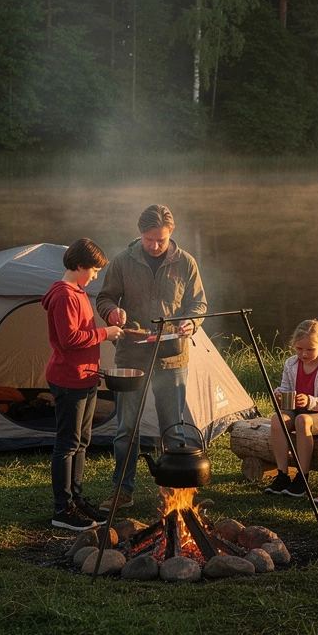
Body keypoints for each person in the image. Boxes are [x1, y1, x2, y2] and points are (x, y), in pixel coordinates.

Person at [96, 204, 207, 510]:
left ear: (171, 234)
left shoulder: (185, 262)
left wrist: (191, 322)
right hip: (132, 356)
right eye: (149, 240)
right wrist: (112, 312)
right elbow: (104, 298)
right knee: (126, 429)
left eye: (161, 240)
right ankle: (123, 490)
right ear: (140, 233)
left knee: (173, 427)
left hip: (172, 358)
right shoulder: (122, 261)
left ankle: (175, 492)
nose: (155, 245)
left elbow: (198, 304)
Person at [42, 238, 124, 530]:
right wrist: (106, 333)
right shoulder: (64, 295)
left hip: (85, 376)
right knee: (67, 444)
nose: (96, 276)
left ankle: (76, 501)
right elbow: (70, 339)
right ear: (79, 266)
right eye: (94, 270)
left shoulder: (77, 291)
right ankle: (62, 510)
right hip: (68, 379)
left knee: (81, 442)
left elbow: (81, 333)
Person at [264, 319, 318, 498]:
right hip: (297, 410)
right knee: (277, 418)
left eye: (310, 350)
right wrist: (279, 394)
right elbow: (285, 388)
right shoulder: (291, 364)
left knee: (302, 420)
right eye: (299, 349)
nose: (304, 354)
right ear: (293, 345)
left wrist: (309, 401)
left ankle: (302, 477)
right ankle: (282, 474)